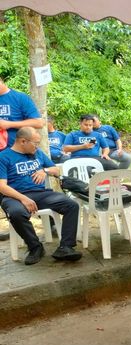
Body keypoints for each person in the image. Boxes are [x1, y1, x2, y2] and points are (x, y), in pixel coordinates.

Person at [0, 127, 82, 265]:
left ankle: (65, 247)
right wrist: (23, 199)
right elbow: (2, 186)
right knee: (16, 213)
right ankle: (35, 247)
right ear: (23, 141)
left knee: (71, 205)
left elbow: (56, 170)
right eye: (35, 143)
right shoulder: (3, 157)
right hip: (14, 196)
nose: (37, 146)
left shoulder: (37, 153)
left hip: (40, 193)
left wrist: (45, 170)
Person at [0, 76, 44, 241]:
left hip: (19, 154)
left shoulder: (19, 98)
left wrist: (9, 124)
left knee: (32, 187)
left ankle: (50, 223)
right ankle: (17, 228)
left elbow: (38, 123)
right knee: (5, 195)